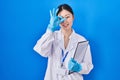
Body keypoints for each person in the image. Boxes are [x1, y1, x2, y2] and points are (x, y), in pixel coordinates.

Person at [33, 4, 93, 80]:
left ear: (73, 17)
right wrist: (50, 28)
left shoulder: (81, 40)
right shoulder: (52, 36)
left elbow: (88, 66)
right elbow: (41, 50)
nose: (64, 21)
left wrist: (79, 67)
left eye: (67, 17)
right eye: (60, 18)